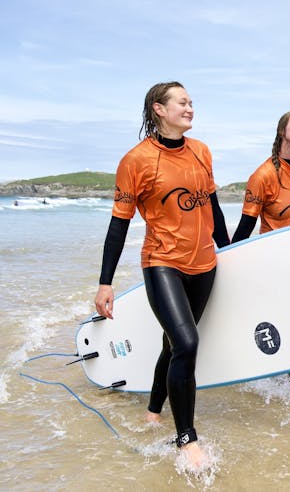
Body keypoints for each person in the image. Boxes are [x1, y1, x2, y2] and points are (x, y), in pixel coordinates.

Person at [93, 81, 230, 468]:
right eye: (182, 102)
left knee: (174, 345)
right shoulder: (136, 160)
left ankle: (153, 409)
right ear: (159, 109)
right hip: (162, 262)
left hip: (204, 264)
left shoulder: (201, 151)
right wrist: (105, 282)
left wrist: (232, 249)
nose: (190, 107)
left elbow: (213, 208)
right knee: (187, 342)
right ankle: (186, 439)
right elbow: (118, 225)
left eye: (191, 102)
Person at [231, 109, 290, 397]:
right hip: (273, 264)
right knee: (287, 320)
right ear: (283, 130)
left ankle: (281, 373)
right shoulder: (263, 175)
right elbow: (246, 226)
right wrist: (227, 261)